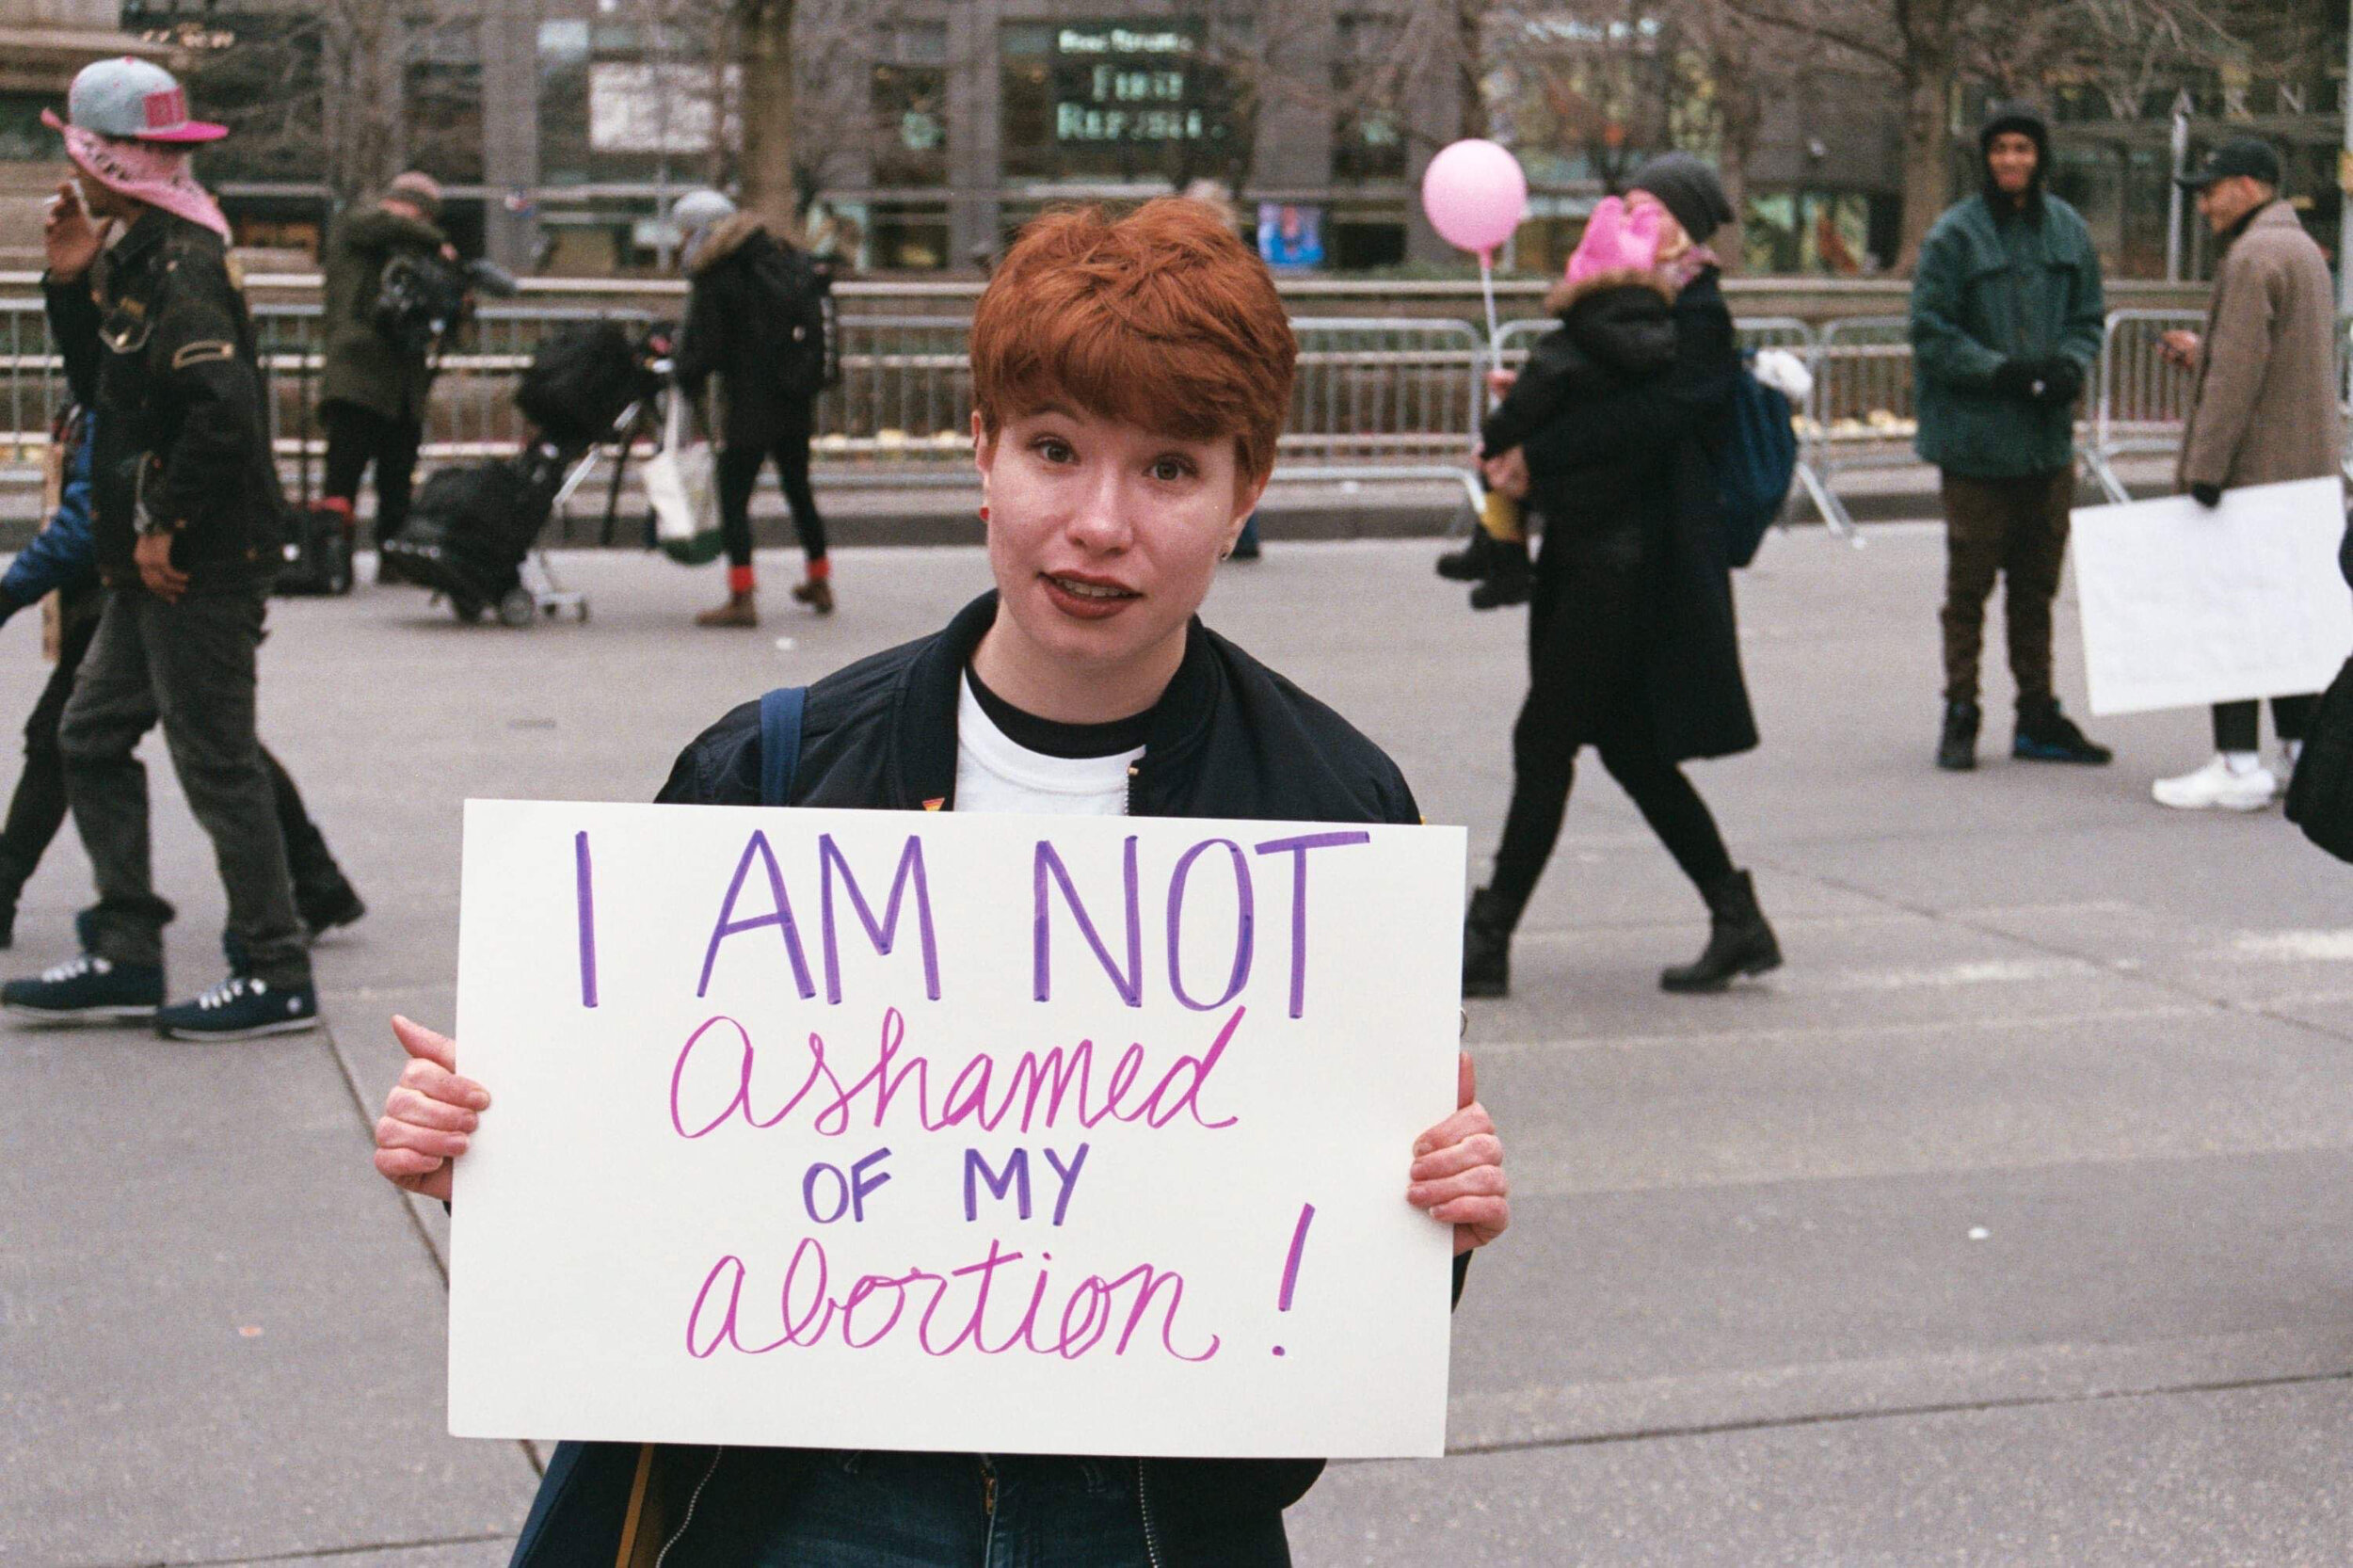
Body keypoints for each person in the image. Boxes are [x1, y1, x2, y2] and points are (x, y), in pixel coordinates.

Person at [370, 198, 1511, 1565]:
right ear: (980, 454)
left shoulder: (1339, 813)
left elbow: (1316, 1325)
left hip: (1152, 1519)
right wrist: (499, 1157)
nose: (1098, 523)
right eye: (1052, 451)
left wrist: (1433, 1216)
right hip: (809, 1502)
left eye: (1167, 469)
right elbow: (638, 1216)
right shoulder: (774, 771)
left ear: (1245, 487)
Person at [0, 58, 318, 1040]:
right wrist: (65, 283)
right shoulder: (143, 246)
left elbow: (220, 413)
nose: (70, 175)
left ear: (101, 157)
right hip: (163, 559)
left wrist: (160, 523)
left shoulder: (177, 259)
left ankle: (276, 970)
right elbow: (113, 394)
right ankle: (127, 948)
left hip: (198, 560)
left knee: (214, 757)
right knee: (86, 733)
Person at [1460, 152, 1782, 999]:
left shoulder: (1699, 309)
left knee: (1545, 741)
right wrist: (1536, 398)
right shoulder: (1633, 299)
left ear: (1687, 222)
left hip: (1635, 564)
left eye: (1654, 208)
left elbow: (1655, 419)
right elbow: (1610, 399)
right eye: (1631, 207)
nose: (1638, 220)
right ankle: (1735, 915)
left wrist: (1540, 448)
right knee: (1631, 751)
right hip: (1594, 546)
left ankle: (1488, 938)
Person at [0, 408, 362, 954]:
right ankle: (313, 885)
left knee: (148, 738)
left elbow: (94, 512)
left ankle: (261, 940)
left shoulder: (126, 361)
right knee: (208, 737)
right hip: (150, 582)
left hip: (154, 583)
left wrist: (10, 591)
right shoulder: (119, 362)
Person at [1910, 100, 2111, 773]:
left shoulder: (2067, 231)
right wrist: (2001, 373)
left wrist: (2069, 364)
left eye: (2023, 149)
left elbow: (2089, 315)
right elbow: (1932, 332)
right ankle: (1961, 708)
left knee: (2036, 588)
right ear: (1985, 158)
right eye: (2000, 150)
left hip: (2044, 445)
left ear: (2040, 157)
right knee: (1968, 588)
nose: (2012, 161)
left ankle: (2038, 714)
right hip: (1975, 445)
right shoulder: (1954, 237)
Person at [2149, 136, 2345, 811]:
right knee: (2288, 622)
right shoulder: (2302, 252)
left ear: (2251, 185)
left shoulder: (2253, 255)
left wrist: (2203, 471)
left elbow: (2237, 377)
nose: (2203, 202)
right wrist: (2205, 355)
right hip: (2304, 471)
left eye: (2212, 187)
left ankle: (2235, 764)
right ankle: (2294, 753)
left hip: (2253, 475)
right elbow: (2276, 358)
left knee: (2229, 616)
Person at [1438, 192, 1679, 611]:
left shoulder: (1567, 343)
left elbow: (1530, 405)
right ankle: (1488, 551)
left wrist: (1492, 438)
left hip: (1569, 503)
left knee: (1492, 470)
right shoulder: (1665, 341)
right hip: (1638, 508)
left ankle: (1507, 564)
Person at [670, 188, 835, 627]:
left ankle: (741, 595)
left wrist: (683, 374)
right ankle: (820, 579)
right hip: (794, 397)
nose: (684, 241)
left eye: (686, 231)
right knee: (799, 489)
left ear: (703, 230)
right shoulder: (785, 259)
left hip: (748, 402)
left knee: (733, 497)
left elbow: (705, 346)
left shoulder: (720, 273)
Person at [318, 170, 454, 562]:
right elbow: (377, 224)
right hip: (357, 371)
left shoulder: (410, 247)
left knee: (397, 476)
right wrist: (436, 240)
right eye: (421, 217)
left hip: (403, 379)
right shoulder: (359, 224)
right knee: (343, 472)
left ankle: (394, 558)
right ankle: (331, 558)